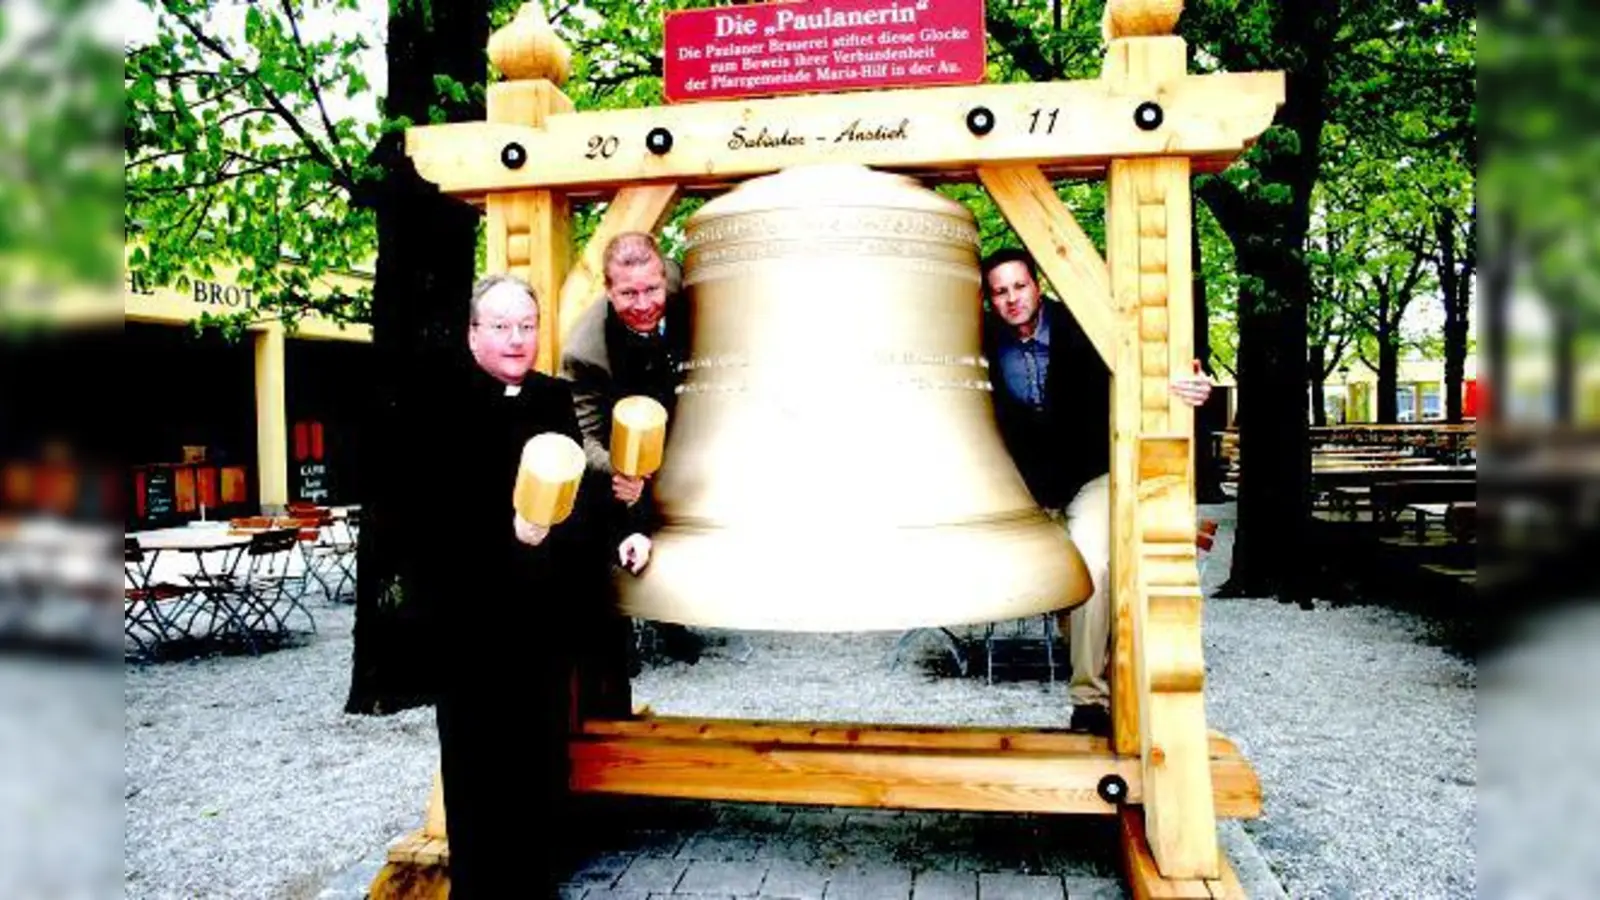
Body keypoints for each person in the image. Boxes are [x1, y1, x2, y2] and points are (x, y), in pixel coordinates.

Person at [411, 273, 651, 898]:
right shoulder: (435, 402)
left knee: (539, 768)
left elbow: (579, 496)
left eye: (527, 326)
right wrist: (508, 533)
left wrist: (622, 525)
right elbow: (423, 519)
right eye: (501, 327)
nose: (517, 339)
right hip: (470, 626)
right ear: (473, 334)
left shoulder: (551, 397)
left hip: (539, 627)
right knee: (478, 772)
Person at [979, 247, 1212, 736]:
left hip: (1090, 475)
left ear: (1038, 284)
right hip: (1027, 489)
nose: (1011, 299)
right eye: (1000, 292)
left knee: (1092, 566)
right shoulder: (976, 339)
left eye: (1019, 286)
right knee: (1062, 588)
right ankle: (1090, 648)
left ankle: (1088, 700)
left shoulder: (1083, 326)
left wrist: (1184, 384)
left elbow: (1143, 364)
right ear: (989, 299)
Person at [561, 231, 701, 664]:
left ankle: (677, 614)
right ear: (608, 290)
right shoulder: (585, 352)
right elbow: (581, 435)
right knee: (614, 507)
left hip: (686, 420)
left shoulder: (691, 287)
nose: (643, 304)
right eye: (628, 294)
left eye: (652, 289)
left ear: (666, 278)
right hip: (623, 444)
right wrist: (623, 470)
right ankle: (624, 629)